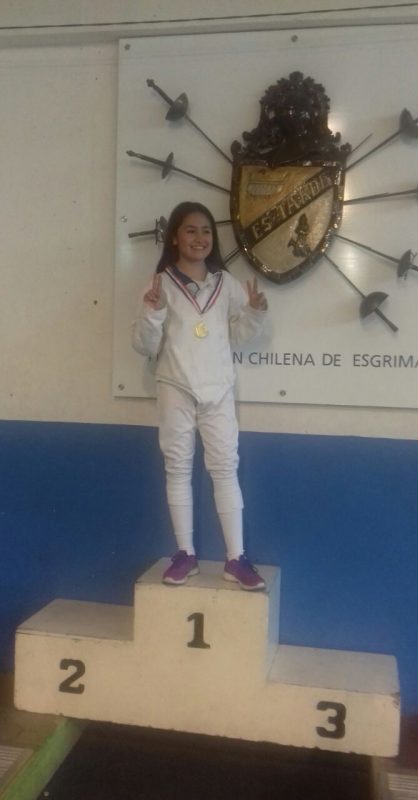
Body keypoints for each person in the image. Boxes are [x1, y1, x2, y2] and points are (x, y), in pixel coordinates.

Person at [132, 201, 268, 590]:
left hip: (218, 388)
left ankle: (235, 559)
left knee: (225, 468)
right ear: (174, 237)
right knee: (178, 468)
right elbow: (144, 345)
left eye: (206, 231)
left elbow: (238, 336)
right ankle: (185, 554)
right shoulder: (159, 284)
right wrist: (153, 312)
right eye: (190, 230)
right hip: (175, 386)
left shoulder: (227, 283)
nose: (200, 238)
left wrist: (254, 312)